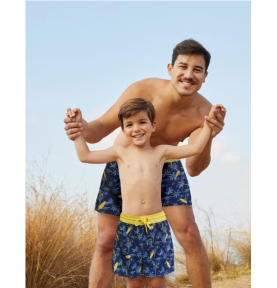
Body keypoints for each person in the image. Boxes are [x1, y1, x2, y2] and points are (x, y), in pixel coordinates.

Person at [64, 39, 227, 288]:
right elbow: (97, 131)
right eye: (183, 66)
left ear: (205, 76)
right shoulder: (143, 89)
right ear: (170, 69)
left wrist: (210, 135)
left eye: (197, 69)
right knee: (107, 239)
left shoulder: (203, 111)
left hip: (167, 163)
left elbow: (194, 167)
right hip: (124, 162)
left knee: (190, 235)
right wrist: (80, 127)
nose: (188, 74)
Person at [73, 98, 217, 288]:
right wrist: (76, 133)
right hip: (128, 226)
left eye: (142, 122)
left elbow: (195, 148)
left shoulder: (162, 152)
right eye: (129, 125)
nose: (137, 128)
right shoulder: (119, 153)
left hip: (156, 226)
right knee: (135, 282)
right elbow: (86, 156)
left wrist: (209, 124)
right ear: (123, 131)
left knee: (157, 281)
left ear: (153, 125)